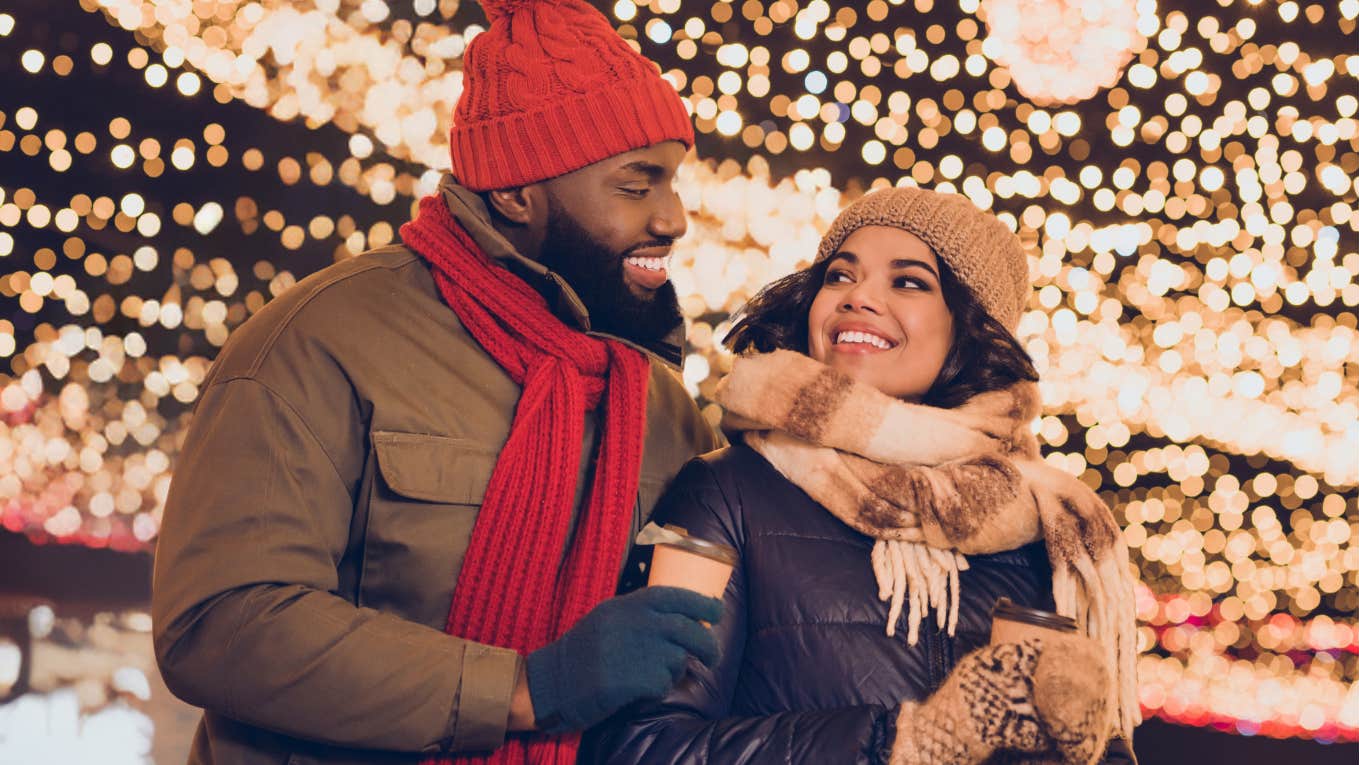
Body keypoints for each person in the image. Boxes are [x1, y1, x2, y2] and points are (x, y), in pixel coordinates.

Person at [150, 1, 726, 763]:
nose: (674, 217)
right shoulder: (323, 340)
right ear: (517, 192)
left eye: (674, 180)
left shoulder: (659, 407)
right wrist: (527, 687)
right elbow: (219, 624)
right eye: (636, 184)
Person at [590, 187, 1140, 764]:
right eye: (838, 276)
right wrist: (894, 745)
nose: (858, 297)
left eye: (908, 282)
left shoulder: (1050, 528)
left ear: (971, 327)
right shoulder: (729, 494)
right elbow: (640, 746)